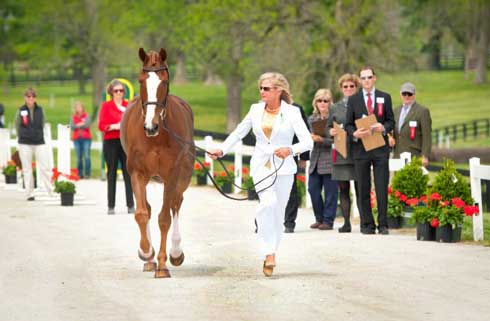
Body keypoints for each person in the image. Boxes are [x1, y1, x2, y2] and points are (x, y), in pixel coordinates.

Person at [210, 72, 313, 277]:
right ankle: (268, 250)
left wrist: (290, 150)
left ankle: (271, 252)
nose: (262, 92)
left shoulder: (292, 112)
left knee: (278, 213)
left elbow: (308, 142)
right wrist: (222, 149)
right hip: (261, 166)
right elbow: (239, 132)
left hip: (284, 167)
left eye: (266, 88)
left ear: (279, 90)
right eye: (261, 88)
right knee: (268, 204)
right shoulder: (255, 110)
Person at [345, 66, 394, 235]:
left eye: (369, 77)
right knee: (363, 188)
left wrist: (383, 127)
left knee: (381, 187)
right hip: (361, 149)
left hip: (380, 148)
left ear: (374, 78)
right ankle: (367, 224)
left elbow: (391, 121)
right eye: (363, 78)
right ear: (360, 80)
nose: (366, 80)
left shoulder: (384, 97)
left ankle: (383, 224)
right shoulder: (353, 100)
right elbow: (348, 124)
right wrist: (355, 133)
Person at [328, 74, 361, 233]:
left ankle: (365, 222)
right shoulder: (334, 108)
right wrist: (331, 131)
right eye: (345, 87)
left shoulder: (362, 104)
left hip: (358, 151)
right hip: (341, 152)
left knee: (361, 188)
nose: (348, 89)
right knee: (343, 189)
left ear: (356, 88)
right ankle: (347, 223)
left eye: (351, 86)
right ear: (341, 89)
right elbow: (328, 128)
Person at [98, 79, 134, 215]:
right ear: (111, 92)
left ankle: (130, 205)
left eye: (121, 90)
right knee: (111, 173)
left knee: (128, 174)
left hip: (125, 142)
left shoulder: (128, 105)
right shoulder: (106, 106)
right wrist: (113, 126)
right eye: (116, 91)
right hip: (111, 142)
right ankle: (111, 205)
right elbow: (101, 125)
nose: (119, 93)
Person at [307, 89, 338, 230]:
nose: (322, 103)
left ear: (330, 102)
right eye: (320, 100)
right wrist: (311, 138)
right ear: (316, 102)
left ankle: (328, 221)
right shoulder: (311, 119)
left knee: (330, 192)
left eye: (325, 100)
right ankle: (319, 218)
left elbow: (338, 140)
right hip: (315, 159)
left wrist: (322, 140)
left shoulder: (335, 118)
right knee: (313, 189)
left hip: (330, 158)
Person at [15, 87, 53, 200]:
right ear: (25, 98)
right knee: (27, 169)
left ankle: (50, 191)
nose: (31, 98)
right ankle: (29, 193)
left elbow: (43, 123)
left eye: (33, 96)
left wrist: (37, 134)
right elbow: (17, 125)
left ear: (35, 98)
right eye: (28, 96)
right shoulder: (20, 110)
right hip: (25, 142)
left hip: (38, 142)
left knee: (45, 167)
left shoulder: (40, 110)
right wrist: (22, 135)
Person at [283, 101, 310, 233]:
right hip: (268, 154)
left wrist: (304, 156)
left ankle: (289, 222)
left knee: (290, 188)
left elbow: (304, 133)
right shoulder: (262, 107)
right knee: (266, 188)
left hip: (290, 152)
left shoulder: (295, 108)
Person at [391, 82, 432, 167]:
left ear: (414, 95)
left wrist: (425, 156)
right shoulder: (395, 111)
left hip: (415, 156)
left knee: (414, 180)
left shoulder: (422, 111)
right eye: (404, 93)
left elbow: (427, 135)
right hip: (398, 155)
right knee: (398, 180)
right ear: (400, 94)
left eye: (409, 94)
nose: (406, 96)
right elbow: (393, 131)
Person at [70, 101, 92, 178]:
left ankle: (87, 173)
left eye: (80, 107)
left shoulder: (86, 116)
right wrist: (81, 124)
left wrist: (78, 125)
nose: (79, 109)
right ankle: (80, 174)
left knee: (86, 156)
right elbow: (72, 126)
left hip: (86, 138)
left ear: (83, 108)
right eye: (77, 107)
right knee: (79, 157)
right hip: (77, 138)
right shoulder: (73, 117)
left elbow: (87, 124)